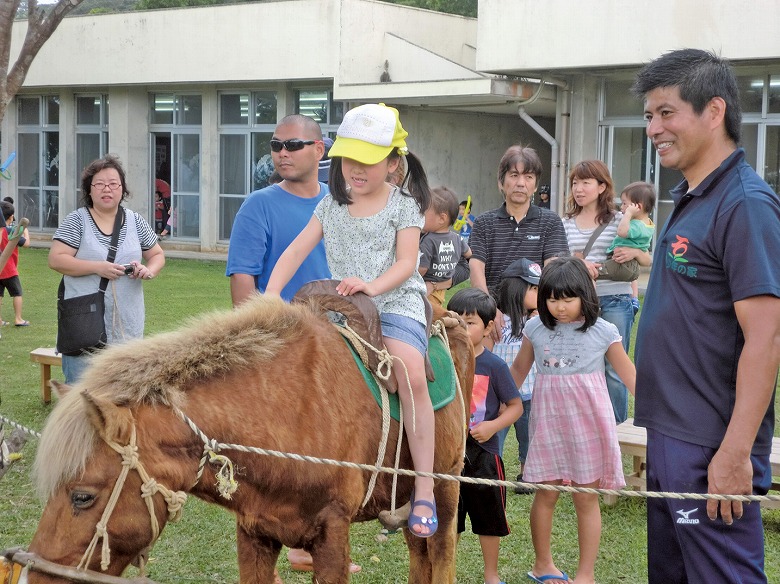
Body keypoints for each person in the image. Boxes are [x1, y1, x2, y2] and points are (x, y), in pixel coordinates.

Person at [632, 48, 780, 584]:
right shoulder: (693, 197)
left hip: (712, 444)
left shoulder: (745, 204)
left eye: (666, 112)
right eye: (649, 116)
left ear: (713, 112)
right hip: (671, 432)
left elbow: (765, 338)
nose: (653, 128)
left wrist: (736, 452)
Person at [266, 103, 439, 538]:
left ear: (394, 164)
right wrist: (269, 296)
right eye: (349, 159)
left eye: (369, 160)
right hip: (340, 305)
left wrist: (373, 287)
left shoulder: (405, 205)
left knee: (408, 372)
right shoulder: (330, 204)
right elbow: (294, 251)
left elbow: (406, 263)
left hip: (394, 300)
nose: (356, 170)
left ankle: (424, 487)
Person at [510, 257, 635, 584]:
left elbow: (630, 376)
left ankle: (585, 574)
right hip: (548, 425)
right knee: (546, 494)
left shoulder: (603, 331)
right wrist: (489, 401)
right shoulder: (535, 328)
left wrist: (658, 409)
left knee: (585, 498)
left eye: (568, 299)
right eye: (552, 299)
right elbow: (517, 373)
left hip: (589, 427)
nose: (560, 307)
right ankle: (542, 564)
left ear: (585, 295)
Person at [49, 155, 165, 384]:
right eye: (99, 184)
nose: (107, 189)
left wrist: (148, 270)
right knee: (81, 394)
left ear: (122, 189)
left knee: (124, 395)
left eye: (113, 183)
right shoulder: (77, 221)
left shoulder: (135, 221)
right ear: (89, 190)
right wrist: (97, 268)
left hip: (126, 322)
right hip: (84, 320)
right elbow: (56, 260)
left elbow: (157, 255)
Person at [562, 160, 651, 423]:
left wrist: (635, 252)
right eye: (575, 183)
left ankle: (615, 431)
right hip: (578, 302)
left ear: (602, 187)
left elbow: (647, 260)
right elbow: (556, 259)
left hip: (615, 300)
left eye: (586, 183)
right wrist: (578, 263)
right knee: (578, 365)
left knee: (615, 369)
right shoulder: (565, 222)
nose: (579, 189)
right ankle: (585, 427)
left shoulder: (619, 219)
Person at [447, 287, 522, 584]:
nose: (462, 329)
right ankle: (447, 571)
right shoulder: (442, 361)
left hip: (485, 454)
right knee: (449, 518)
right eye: (456, 322)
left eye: (471, 322)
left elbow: (515, 407)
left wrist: (492, 426)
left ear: (489, 326)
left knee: (489, 520)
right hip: (449, 454)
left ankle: (491, 574)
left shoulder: (495, 365)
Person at [226, 114, 331, 305]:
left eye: (293, 145)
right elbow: (242, 277)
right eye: (276, 145)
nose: (282, 153)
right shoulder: (257, 205)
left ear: (318, 150)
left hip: (336, 326)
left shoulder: (337, 201)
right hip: (282, 329)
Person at [468, 145, 569, 341]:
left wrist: (543, 309)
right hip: (495, 317)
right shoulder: (484, 223)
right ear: (501, 181)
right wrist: (488, 309)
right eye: (514, 175)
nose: (521, 183)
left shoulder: (550, 222)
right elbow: (476, 268)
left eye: (528, 177)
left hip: (536, 315)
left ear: (536, 185)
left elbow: (554, 269)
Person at [491, 257, 540, 492]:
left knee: (528, 437)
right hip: (499, 394)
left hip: (530, 392)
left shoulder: (540, 321)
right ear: (516, 288)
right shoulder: (497, 319)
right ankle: (493, 471)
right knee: (495, 436)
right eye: (534, 288)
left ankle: (526, 474)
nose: (540, 293)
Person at [418, 186, 471, 305]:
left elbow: (422, 269)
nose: (420, 215)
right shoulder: (456, 238)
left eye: (424, 212)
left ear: (442, 218)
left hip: (424, 288)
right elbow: (469, 254)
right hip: (441, 290)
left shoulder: (428, 240)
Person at [596, 181, 655, 283]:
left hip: (623, 264)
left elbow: (622, 232)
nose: (621, 207)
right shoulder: (647, 224)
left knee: (594, 271)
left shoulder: (637, 225)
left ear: (638, 207)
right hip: (630, 266)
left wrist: (628, 214)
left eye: (624, 203)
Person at [0, 201, 30, 327]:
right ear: (11, 216)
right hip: (10, 270)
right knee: (17, 293)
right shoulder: (11, 230)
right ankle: (18, 319)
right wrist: (26, 232)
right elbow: (26, 244)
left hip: (0, 270)